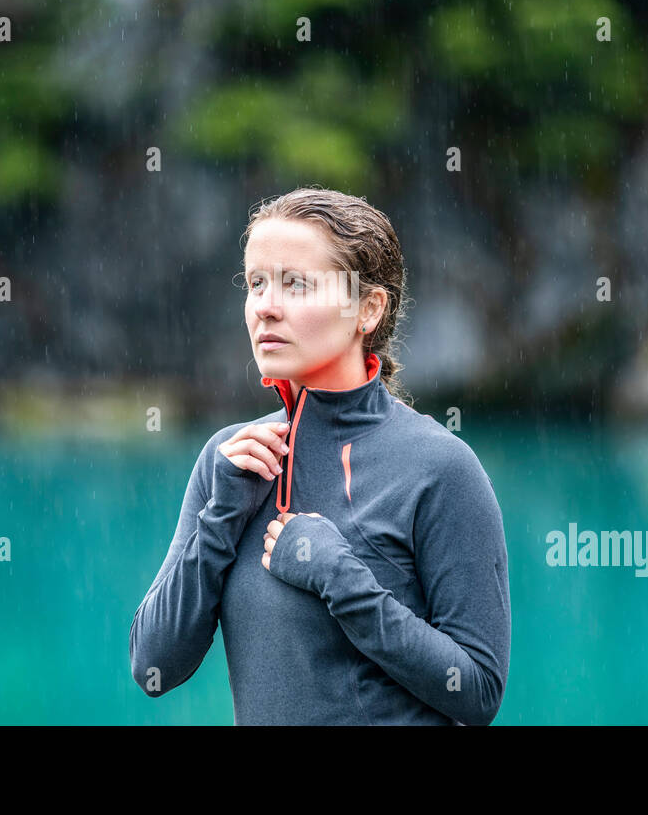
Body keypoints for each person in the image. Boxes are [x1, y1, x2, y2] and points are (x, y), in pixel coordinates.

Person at [129, 186, 511, 724]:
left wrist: (339, 576)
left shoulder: (440, 468)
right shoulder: (231, 459)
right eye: (256, 282)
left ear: (368, 309)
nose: (266, 306)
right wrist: (220, 518)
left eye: (295, 284)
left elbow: (477, 691)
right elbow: (154, 667)